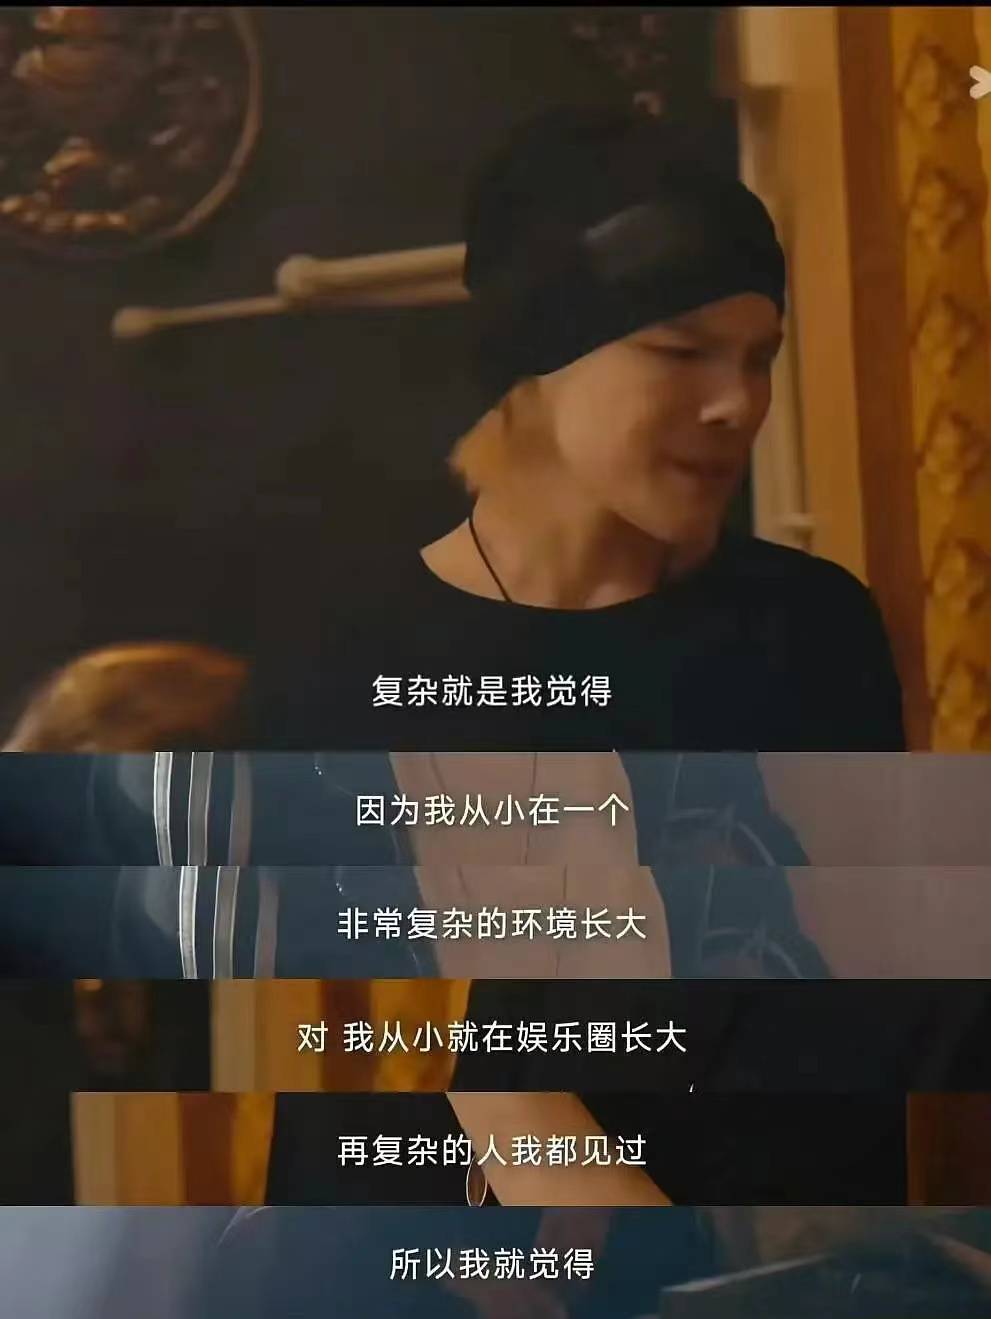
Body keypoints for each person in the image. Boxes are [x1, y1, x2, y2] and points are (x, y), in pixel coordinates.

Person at [249, 104, 904, 754]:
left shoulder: (807, 631)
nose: (737, 404)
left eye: (758, 359)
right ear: (539, 358)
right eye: (680, 352)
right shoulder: (342, 659)